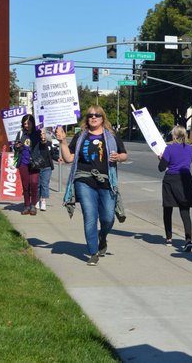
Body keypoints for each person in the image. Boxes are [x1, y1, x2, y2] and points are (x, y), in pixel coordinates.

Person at [56, 105, 128, 266]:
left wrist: (118, 157)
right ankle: (93, 252)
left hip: (106, 181)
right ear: (86, 118)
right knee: (90, 215)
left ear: (103, 118)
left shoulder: (111, 136)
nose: (93, 117)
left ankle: (102, 238)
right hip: (84, 179)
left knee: (108, 218)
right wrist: (62, 142)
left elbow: (124, 154)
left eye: (97, 115)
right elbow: (69, 158)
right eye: (90, 115)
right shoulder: (81, 136)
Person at [159, 126, 192, 251]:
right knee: (185, 211)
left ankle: (169, 238)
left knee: (168, 209)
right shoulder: (190, 149)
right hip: (185, 179)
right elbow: (188, 162)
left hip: (171, 180)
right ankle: (188, 240)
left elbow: (161, 167)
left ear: (174, 136)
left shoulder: (169, 148)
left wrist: (161, 158)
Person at [15, 115, 44, 215]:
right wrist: (17, 146)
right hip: (23, 162)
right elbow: (15, 147)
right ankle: (27, 205)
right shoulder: (21, 133)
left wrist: (43, 137)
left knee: (34, 183)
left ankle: (33, 205)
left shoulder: (38, 133)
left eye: (29, 123)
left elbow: (43, 143)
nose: (27, 125)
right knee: (25, 185)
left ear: (33, 123)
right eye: (25, 123)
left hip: (34, 163)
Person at [35, 127, 55, 211]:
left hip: (47, 167)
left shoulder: (49, 144)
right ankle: (37, 200)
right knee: (38, 184)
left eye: (43, 133)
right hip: (38, 167)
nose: (42, 135)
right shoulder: (37, 144)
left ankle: (43, 201)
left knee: (45, 184)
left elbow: (53, 154)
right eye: (40, 134)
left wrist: (58, 158)